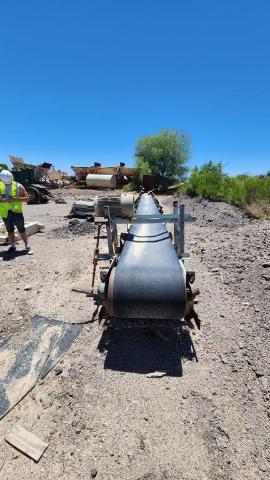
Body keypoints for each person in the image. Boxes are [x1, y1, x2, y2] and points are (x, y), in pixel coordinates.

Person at [0, 169, 32, 254]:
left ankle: (27, 245)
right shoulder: (0, 185)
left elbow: (27, 198)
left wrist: (15, 199)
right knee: (10, 230)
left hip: (16, 212)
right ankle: (13, 246)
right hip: (5, 213)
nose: (7, 184)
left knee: (21, 229)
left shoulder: (18, 186)